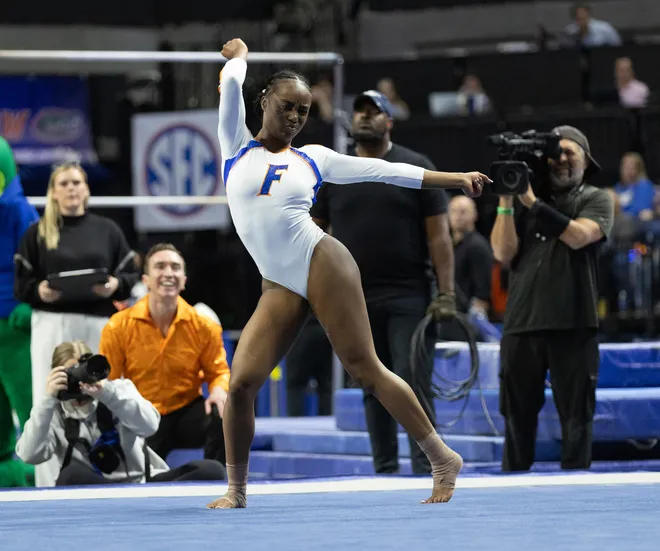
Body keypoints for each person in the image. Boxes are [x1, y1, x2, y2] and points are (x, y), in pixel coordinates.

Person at [206, 38, 490, 509]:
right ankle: (236, 490)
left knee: (365, 368)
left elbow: (385, 171)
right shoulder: (234, 148)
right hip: (277, 282)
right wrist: (237, 58)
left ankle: (442, 458)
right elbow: (232, 84)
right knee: (240, 385)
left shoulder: (314, 157)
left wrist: (454, 178)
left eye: (303, 110)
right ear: (264, 104)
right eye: (287, 107)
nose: (296, 117)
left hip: (322, 261)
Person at [310, 89, 455, 475]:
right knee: (370, 383)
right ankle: (385, 469)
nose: (364, 117)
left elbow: (439, 237)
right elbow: (312, 231)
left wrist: (447, 293)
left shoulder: (415, 165)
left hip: (409, 294)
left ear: (389, 121)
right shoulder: (334, 173)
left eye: (374, 112)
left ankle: (429, 469)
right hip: (354, 298)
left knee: (412, 379)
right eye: (359, 111)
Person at [490, 125, 614, 472]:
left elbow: (579, 236)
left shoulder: (595, 198)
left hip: (574, 322)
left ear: (586, 161)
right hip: (522, 323)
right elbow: (502, 251)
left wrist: (532, 203)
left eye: (569, 153)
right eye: (554, 154)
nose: (560, 160)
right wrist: (506, 198)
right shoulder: (521, 199)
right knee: (516, 421)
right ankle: (513, 491)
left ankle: (576, 495)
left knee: (577, 419)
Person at [14, 161, 140, 486]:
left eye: (77, 183)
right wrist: (38, 290)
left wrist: (114, 286)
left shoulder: (107, 230)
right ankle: (48, 481)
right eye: (64, 183)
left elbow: (131, 273)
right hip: (51, 323)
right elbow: (21, 283)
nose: (71, 189)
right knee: (49, 395)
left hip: (96, 323)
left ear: (86, 189)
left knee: (100, 390)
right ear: (53, 192)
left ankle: (109, 472)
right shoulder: (38, 232)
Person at [15, 341, 226, 485]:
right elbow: (28, 454)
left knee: (212, 470)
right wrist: (48, 400)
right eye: (71, 374)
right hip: (93, 490)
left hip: (141, 485)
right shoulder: (52, 412)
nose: (79, 383)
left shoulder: (118, 391)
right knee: (69, 476)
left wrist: (107, 394)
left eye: (83, 372)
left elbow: (150, 426)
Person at [100, 244, 229, 468]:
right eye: (160, 267)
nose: (168, 273)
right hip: (141, 413)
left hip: (186, 412)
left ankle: (215, 480)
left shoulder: (203, 326)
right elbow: (110, 381)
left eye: (175, 267)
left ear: (184, 279)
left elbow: (218, 372)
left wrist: (218, 391)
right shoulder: (118, 325)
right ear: (146, 280)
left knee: (226, 413)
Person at [0, 137, 39, 487]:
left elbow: (39, 263)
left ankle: (37, 465)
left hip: (14, 326)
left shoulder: (19, 211)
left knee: (27, 401)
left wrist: (29, 304)